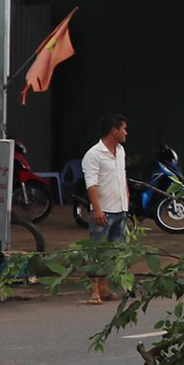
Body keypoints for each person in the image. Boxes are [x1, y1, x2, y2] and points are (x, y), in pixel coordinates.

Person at [79, 113, 133, 304]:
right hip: (104, 210)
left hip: (120, 209)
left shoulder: (121, 151)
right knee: (96, 250)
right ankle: (93, 289)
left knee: (113, 252)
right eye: (123, 128)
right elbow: (91, 184)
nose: (126, 132)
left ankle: (104, 287)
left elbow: (122, 176)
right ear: (114, 130)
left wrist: (126, 199)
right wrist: (97, 210)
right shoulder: (94, 154)